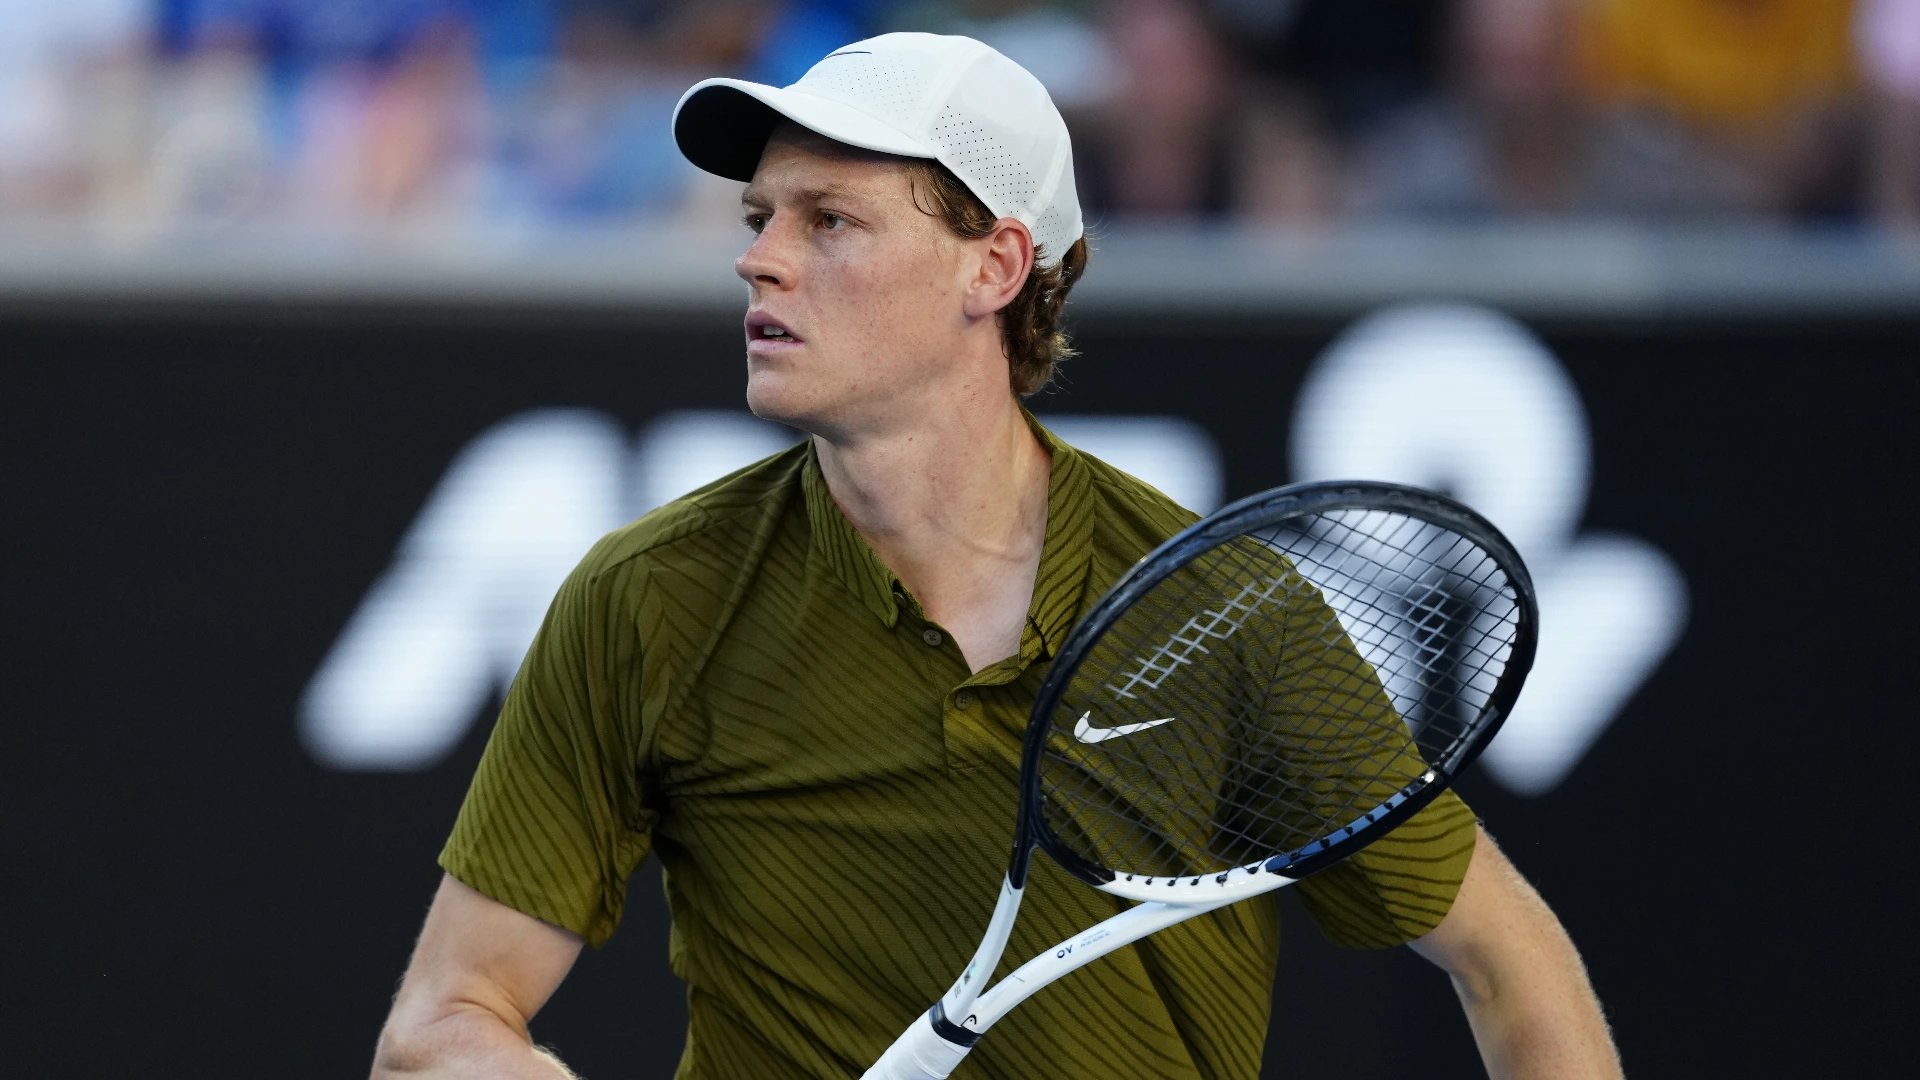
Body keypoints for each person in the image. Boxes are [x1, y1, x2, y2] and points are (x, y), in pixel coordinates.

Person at [367, 32, 1623, 1080]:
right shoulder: (646, 599)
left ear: (997, 266)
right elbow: (440, 1031)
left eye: (830, 219)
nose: (759, 255)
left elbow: (1511, 966)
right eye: (759, 216)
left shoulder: (1226, 609)